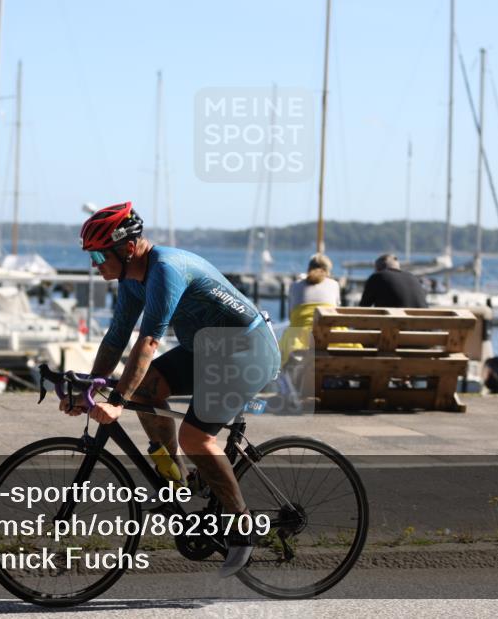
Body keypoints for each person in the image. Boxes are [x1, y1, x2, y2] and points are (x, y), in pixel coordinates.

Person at [67, 201, 281, 576]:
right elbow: (116, 338)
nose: (95, 263)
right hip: (209, 350)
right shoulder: (132, 280)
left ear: (127, 248)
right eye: (91, 256)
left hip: (249, 351)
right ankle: (176, 483)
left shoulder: (165, 270)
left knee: (196, 438)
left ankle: (243, 527)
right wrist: (90, 386)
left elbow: (147, 343)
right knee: (146, 390)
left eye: (100, 254)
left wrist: (115, 400)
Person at [279, 253, 340, 364]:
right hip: (330, 338)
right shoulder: (334, 285)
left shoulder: (294, 286)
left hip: (299, 339)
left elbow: (290, 316)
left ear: (308, 269)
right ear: (328, 271)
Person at [359, 253, 427, 308]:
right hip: (422, 323)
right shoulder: (413, 277)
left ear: (377, 268)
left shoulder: (377, 277)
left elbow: (363, 307)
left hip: (393, 323)